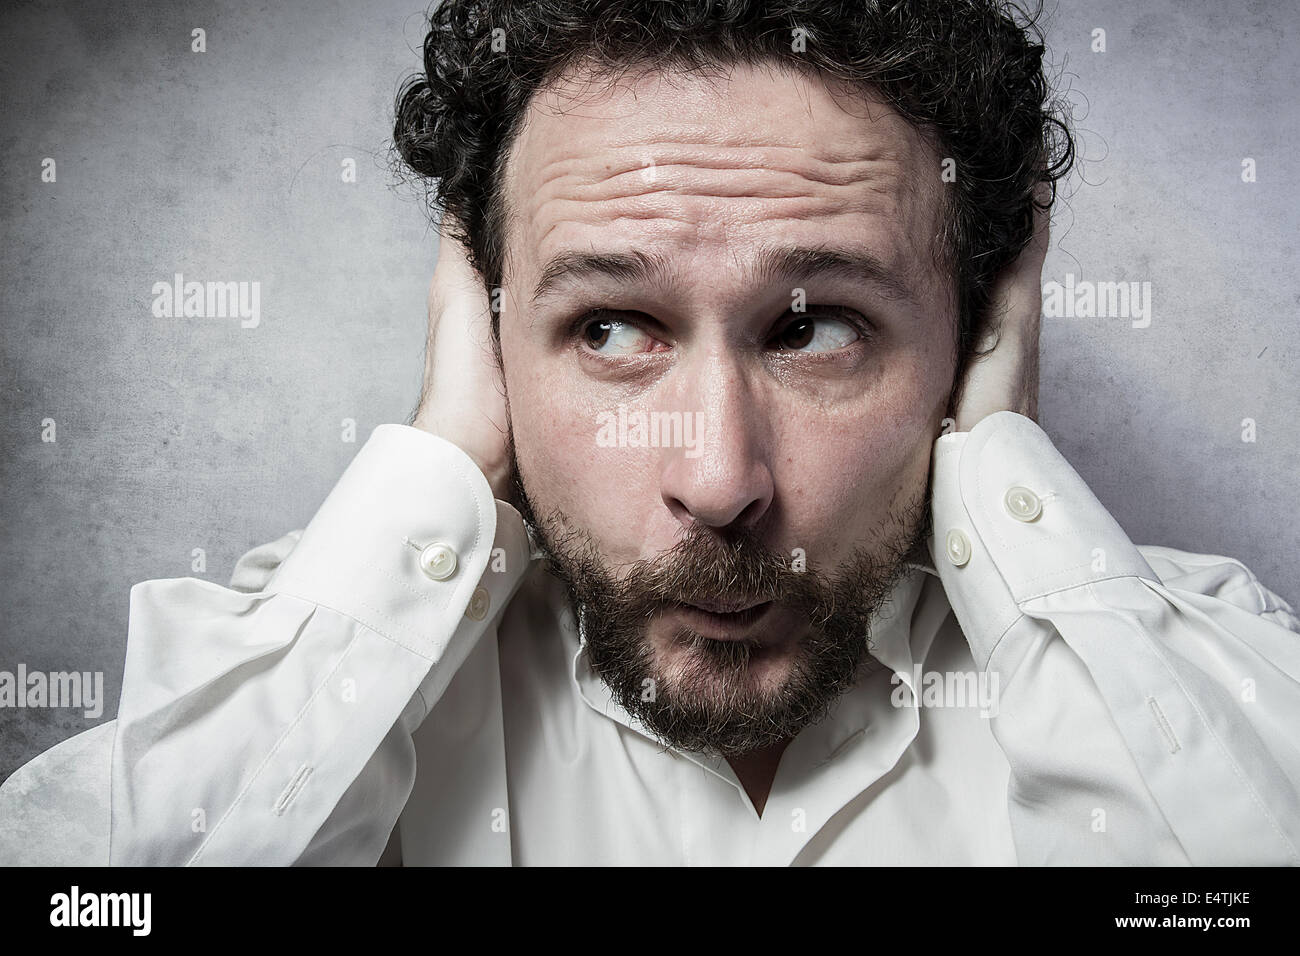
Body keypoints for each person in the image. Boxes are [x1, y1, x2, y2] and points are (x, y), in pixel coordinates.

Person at [2, 0, 1298, 866]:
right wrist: (447, 451)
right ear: (486, 329)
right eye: (611, 329)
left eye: (814, 329)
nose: (720, 480)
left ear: (971, 333)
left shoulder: (1171, 676)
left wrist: (1008, 470)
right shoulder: (330, 683)